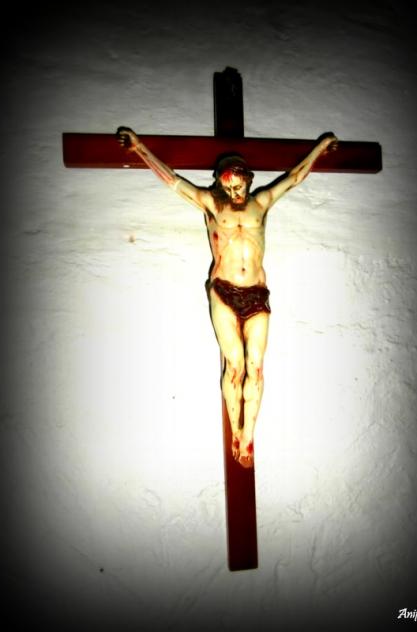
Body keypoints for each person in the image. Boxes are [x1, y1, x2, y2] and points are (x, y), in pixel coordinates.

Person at [117, 127, 337, 468]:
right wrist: (139, 148)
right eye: (229, 187)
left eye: (239, 186)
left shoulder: (261, 203)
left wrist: (320, 148)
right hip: (223, 291)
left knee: (256, 366)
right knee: (234, 364)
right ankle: (236, 427)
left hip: (257, 293)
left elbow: (293, 178)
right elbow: (173, 181)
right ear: (220, 184)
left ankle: (248, 436)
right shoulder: (211, 203)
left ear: (248, 180)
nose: (235, 192)